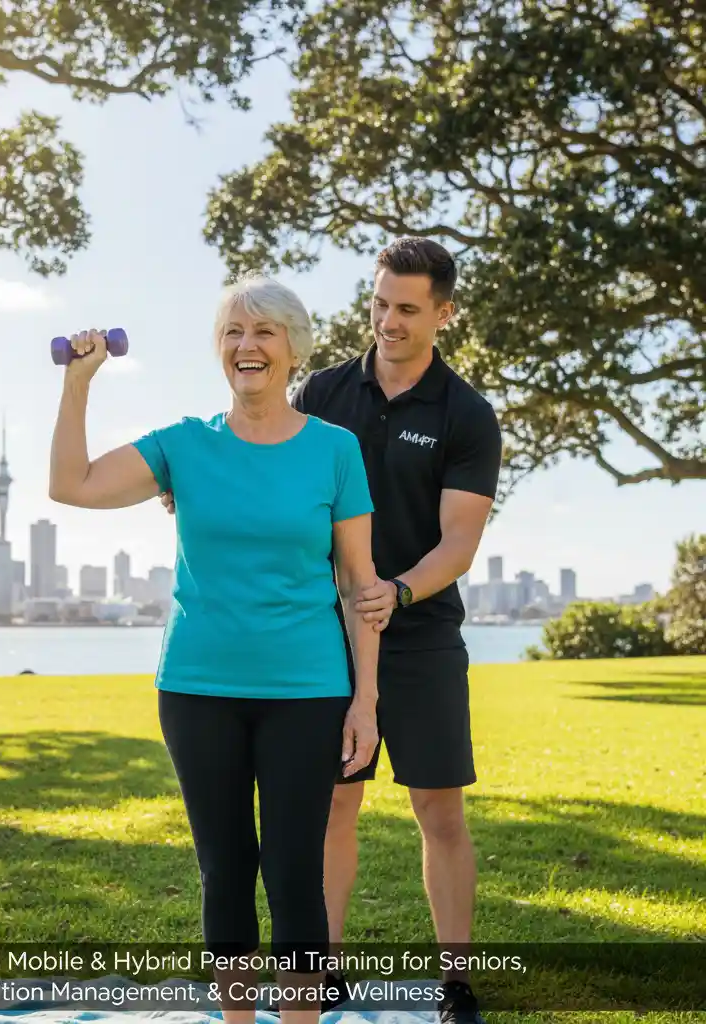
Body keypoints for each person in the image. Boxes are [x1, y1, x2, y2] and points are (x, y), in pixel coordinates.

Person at [160, 238, 502, 1024]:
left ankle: (456, 984)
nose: (387, 321)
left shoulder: (466, 414)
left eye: (407, 309)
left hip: (417, 630)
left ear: (443, 315)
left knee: (439, 812)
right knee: (330, 810)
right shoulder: (321, 390)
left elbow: (459, 541)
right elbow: (263, 456)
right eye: (379, 303)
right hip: (323, 640)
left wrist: (396, 592)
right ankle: (326, 973)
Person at [48, 275, 384, 1024]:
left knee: (294, 874)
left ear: (293, 348)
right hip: (199, 690)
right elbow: (71, 484)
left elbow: (362, 586)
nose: (247, 345)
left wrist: (366, 699)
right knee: (224, 872)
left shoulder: (335, 451)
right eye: (233, 332)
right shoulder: (184, 446)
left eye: (264, 331)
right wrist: (79, 384)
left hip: (308, 690)